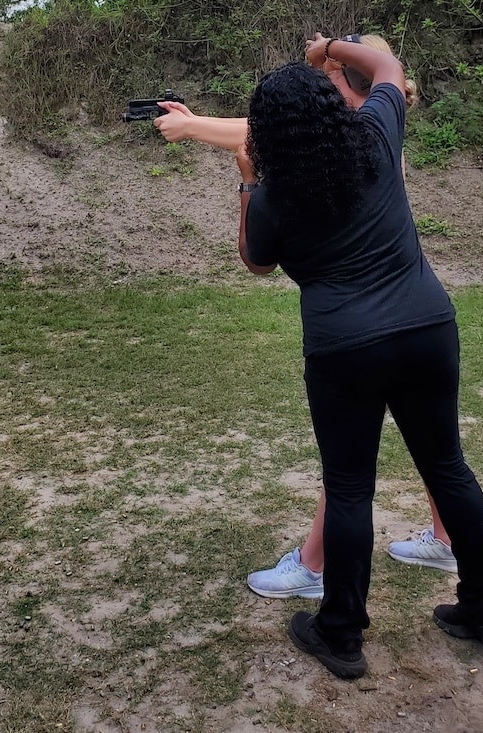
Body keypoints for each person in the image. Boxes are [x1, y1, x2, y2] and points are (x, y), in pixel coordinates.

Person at [223, 32, 483, 678]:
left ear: (267, 135)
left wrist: (247, 182)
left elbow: (255, 262)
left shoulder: (274, 200)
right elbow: (386, 65)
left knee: (350, 488)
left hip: (344, 349)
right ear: (334, 107)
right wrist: (328, 46)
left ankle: (342, 633)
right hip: (426, 327)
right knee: (449, 468)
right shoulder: (380, 136)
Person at [153, 36, 457, 602]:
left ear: (344, 84)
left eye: (332, 75)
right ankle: (446, 539)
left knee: (348, 473)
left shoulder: (355, 129)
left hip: (359, 323)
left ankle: (314, 567)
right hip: (414, 309)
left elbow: (267, 131)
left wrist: (195, 129)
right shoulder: (372, 120)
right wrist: (328, 59)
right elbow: (276, 119)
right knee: (435, 449)